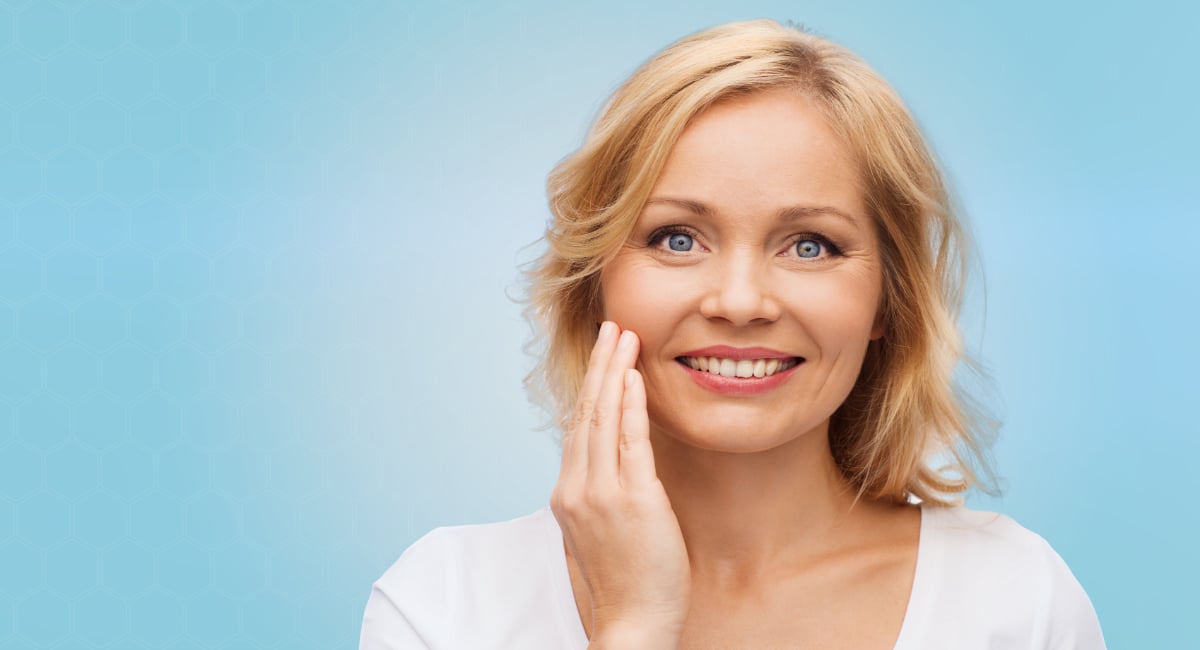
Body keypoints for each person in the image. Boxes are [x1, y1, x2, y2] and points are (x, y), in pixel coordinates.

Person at [359, 19, 1106, 649]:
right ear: (594, 285)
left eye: (810, 244)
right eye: (677, 238)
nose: (741, 301)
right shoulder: (446, 606)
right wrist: (634, 626)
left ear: (888, 299)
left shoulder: (1018, 603)